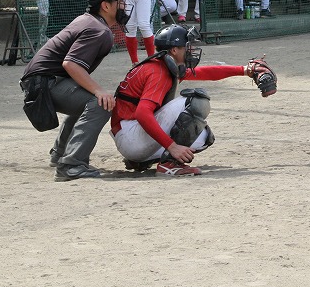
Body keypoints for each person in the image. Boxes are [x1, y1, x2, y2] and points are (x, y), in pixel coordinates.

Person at [109, 24, 276, 176]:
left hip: (131, 137)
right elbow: (142, 113)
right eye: (186, 46)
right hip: (131, 136)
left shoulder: (162, 64)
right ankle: (168, 164)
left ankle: (142, 160)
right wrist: (172, 146)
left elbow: (206, 73)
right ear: (174, 50)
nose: (191, 50)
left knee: (202, 137)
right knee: (197, 101)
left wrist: (244, 70)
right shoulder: (157, 71)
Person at [19, 0, 132, 181]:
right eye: (119, 1)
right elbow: (70, 64)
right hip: (43, 84)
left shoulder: (88, 20)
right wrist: (98, 90)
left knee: (90, 99)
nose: (123, 5)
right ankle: (71, 165)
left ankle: (61, 153)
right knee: (100, 103)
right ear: (105, 6)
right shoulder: (99, 30)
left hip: (42, 81)